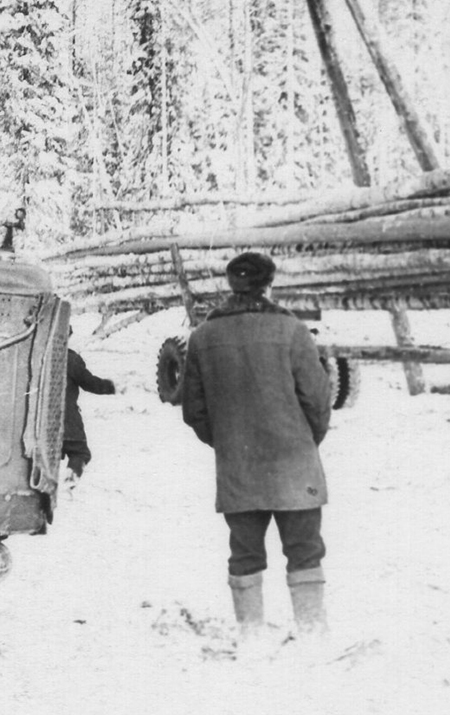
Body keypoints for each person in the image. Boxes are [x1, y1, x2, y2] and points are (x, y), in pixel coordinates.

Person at [181, 252, 334, 642]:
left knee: (244, 552)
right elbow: (318, 400)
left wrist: (229, 442)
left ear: (232, 285)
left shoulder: (203, 337)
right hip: (294, 464)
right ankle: (313, 634)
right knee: (305, 550)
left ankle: (251, 637)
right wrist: (305, 440)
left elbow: (193, 410)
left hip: (238, 466)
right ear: (269, 285)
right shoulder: (293, 330)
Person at [62, 334, 116, 483]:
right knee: (80, 452)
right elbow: (90, 383)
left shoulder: (34, 355)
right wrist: (113, 387)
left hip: (36, 424)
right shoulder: (70, 359)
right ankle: (70, 480)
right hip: (67, 422)